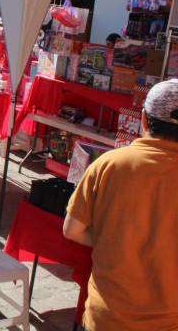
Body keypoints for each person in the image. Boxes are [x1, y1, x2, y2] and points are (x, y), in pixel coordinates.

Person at [64, 79, 178, 331]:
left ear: (144, 120)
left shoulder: (109, 165)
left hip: (107, 318)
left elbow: (72, 229)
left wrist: (116, 239)